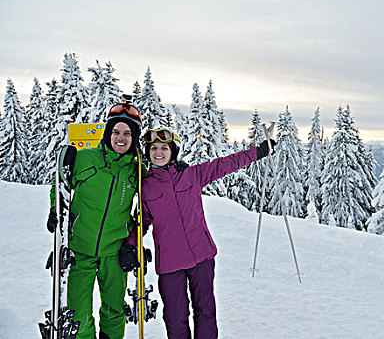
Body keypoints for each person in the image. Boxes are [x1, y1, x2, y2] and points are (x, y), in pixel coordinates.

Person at [119, 128, 275, 339]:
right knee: (175, 317)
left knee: (206, 312)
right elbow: (142, 221)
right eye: (153, 148)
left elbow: (224, 164)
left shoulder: (191, 175)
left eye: (164, 148)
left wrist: (257, 152)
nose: (158, 152)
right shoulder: (145, 186)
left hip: (201, 255)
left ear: (173, 151)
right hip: (170, 263)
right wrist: (131, 244)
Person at [47, 102, 143, 339]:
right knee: (78, 314)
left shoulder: (137, 170)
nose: (121, 138)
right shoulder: (84, 158)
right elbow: (60, 185)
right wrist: (54, 211)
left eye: (127, 133)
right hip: (80, 249)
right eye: (116, 131)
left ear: (134, 138)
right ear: (108, 133)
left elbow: (152, 201)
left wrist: (132, 244)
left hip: (115, 252)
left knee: (114, 311)